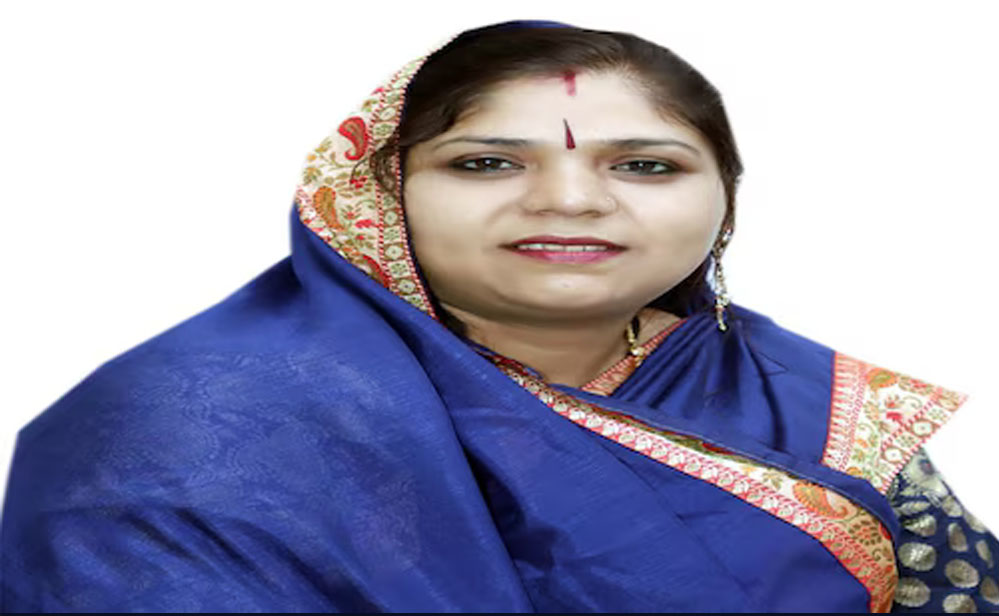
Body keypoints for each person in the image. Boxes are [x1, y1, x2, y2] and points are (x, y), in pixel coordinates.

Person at [1, 18, 996, 613]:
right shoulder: (177, 436)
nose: (570, 200)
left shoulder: (818, 405)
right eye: (485, 163)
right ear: (376, 194)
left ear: (723, 200)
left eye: (645, 165)